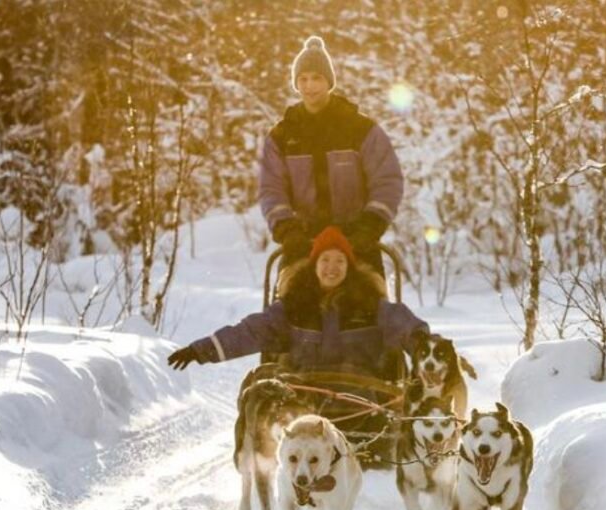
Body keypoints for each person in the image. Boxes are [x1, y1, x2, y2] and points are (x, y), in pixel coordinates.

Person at [167, 226, 427, 378]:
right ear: (314, 266)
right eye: (325, 260)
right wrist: (199, 351)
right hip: (303, 395)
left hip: (362, 396)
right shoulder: (294, 306)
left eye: (339, 261)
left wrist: (423, 345)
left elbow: (402, 324)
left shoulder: (369, 302)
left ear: (350, 267)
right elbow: (251, 331)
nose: (332, 268)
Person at [259, 35, 404, 272]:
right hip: (303, 242)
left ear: (329, 81)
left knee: (369, 303)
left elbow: (387, 180)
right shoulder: (282, 136)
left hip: (357, 240)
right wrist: (287, 229)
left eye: (316, 78)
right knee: (292, 302)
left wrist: (370, 225)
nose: (309, 86)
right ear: (296, 84)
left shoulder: (359, 128)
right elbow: (270, 188)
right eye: (303, 79)